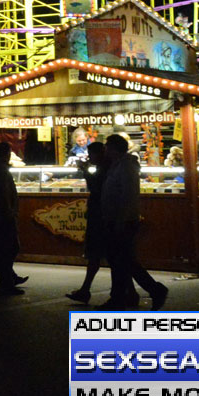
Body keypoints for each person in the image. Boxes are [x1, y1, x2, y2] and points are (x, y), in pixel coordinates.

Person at [99, 133, 168, 310]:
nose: (105, 149)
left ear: (114, 149)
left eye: (107, 146)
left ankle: (153, 290)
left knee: (124, 260)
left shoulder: (126, 167)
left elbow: (127, 196)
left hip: (123, 220)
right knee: (119, 260)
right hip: (115, 219)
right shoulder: (117, 165)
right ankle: (123, 296)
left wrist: (121, 219)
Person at [66, 142, 109, 303]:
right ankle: (85, 290)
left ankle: (148, 289)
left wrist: (85, 170)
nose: (90, 158)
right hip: (101, 215)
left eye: (92, 155)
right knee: (103, 256)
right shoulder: (107, 167)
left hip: (101, 217)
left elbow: (95, 188)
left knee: (103, 255)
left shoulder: (105, 168)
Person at [0, 137, 27, 294]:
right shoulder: (1, 171)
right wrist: (10, 211)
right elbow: (3, 194)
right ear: (7, 154)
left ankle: (3, 276)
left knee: (5, 248)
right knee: (9, 248)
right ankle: (3, 280)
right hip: (3, 215)